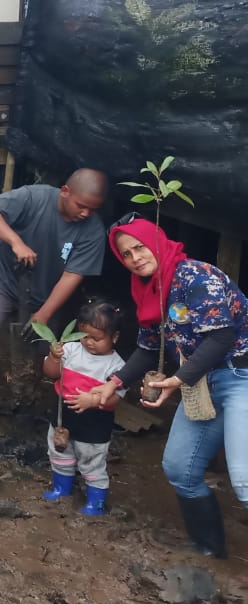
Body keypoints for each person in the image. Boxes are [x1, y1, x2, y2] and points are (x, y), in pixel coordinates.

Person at [83, 216, 248, 557]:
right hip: (201, 380)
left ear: (157, 242)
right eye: (126, 254)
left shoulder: (195, 276)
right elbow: (149, 347)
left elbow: (221, 337)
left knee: (244, 480)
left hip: (239, 375)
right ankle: (209, 549)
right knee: (179, 468)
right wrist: (115, 383)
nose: (135, 258)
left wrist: (178, 379)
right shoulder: (148, 290)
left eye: (140, 247)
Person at [0, 170, 107, 426]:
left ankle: (23, 396)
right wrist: (15, 241)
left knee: (40, 350)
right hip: (3, 275)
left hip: (47, 290)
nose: (85, 213)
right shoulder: (34, 197)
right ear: (65, 191)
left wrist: (44, 314)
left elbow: (72, 276)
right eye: (81, 206)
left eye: (93, 210)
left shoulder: (93, 231)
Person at [41, 301, 125, 515]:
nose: (89, 342)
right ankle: (61, 489)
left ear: (114, 337)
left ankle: (95, 502)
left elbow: (116, 398)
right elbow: (51, 373)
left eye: (97, 338)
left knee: (92, 462)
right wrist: (54, 357)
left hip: (94, 425)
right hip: (62, 417)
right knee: (59, 454)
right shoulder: (70, 350)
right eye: (84, 336)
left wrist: (93, 401)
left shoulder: (117, 366)